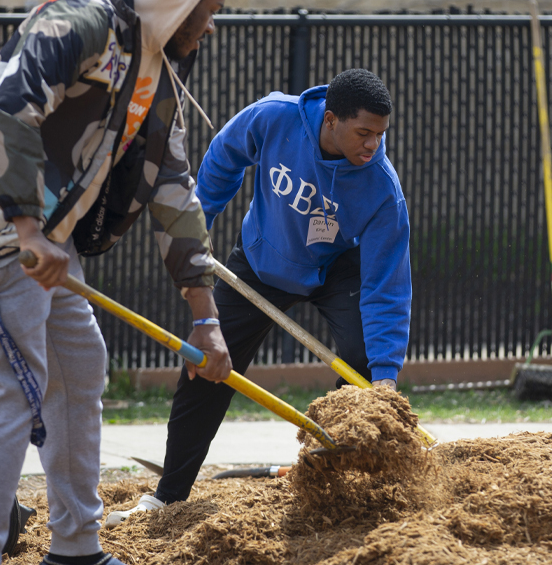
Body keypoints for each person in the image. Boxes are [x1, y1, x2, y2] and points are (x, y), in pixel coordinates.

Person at [0, 0, 234, 564]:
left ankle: (76, 548)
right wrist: (28, 229)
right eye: (208, 9)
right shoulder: (81, 20)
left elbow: (174, 187)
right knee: (8, 394)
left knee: (78, 369)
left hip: (47, 231)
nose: (212, 24)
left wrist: (205, 317)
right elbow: (10, 107)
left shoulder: (155, 60)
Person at [106, 68, 412, 525]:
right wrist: (196, 225)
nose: (373, 145)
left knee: (364, 363)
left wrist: (386, 375)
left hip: (336, 269)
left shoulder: (382, 190)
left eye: (380, 134)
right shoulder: (274, 117)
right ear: (331, 120)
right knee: (207, 366)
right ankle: (167, 496)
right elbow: (223, 159)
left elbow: (386, 285)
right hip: (261, 260)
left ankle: (337, 482)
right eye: (363, 133)